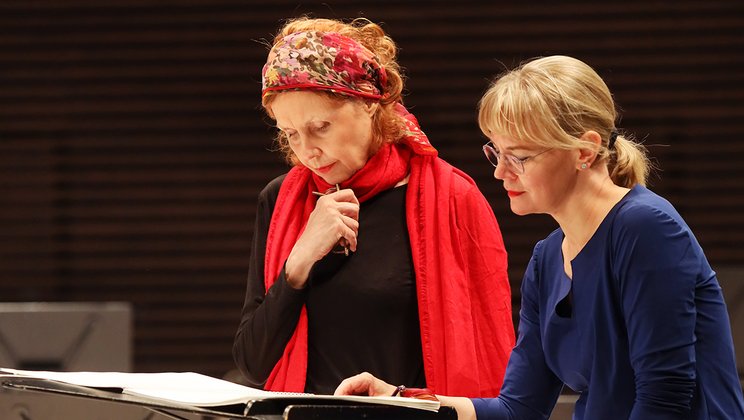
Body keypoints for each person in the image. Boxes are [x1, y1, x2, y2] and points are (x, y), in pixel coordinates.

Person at [335, 55, 744, 419]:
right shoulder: (547, 259)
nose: (500, 172)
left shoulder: (645, 227)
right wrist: (398, 398)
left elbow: (665, 397)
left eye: (520, 156)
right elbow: (519, 407)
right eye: (496, 152)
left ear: (585, 151)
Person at [232, 17, 515, 397]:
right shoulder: (281, 200)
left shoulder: (450, 197)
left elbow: (489, 353)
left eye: (320, 126)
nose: (307, 150)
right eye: (290, 133)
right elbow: (252, 363)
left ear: (369, 105)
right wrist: (298, 263)